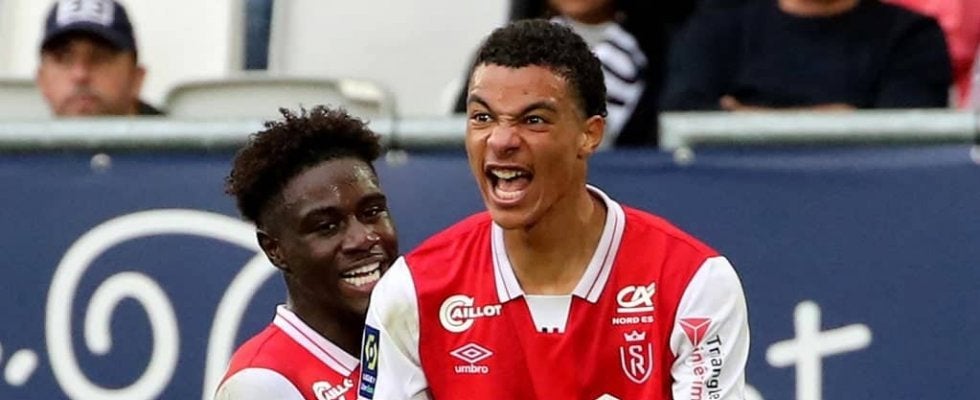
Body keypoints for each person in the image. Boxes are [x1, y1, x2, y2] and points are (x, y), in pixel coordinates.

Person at [358, 20, 749, 400]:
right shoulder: (412, 291)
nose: (501, 140)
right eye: (482, 117)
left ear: (589, 134)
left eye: (533, 120)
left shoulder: (693, 282)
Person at [216, 106, 398, 400]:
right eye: (327, 226)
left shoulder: (420, 341)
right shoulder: (261, 384)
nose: (363, 238)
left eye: (372, 211)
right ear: (275, 250)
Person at [661, 0, 952, 111]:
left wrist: (742, 115)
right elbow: (683, 111)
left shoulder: (912, 35)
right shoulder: (716, 29)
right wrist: (841, 119)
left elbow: (903, 131)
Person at [36, 0, 163, 116]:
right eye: (64, 59)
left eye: (99, 58)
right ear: (42, 81)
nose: (80, 75)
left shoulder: (171, 134)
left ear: (136, 78)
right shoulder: (27, 133)